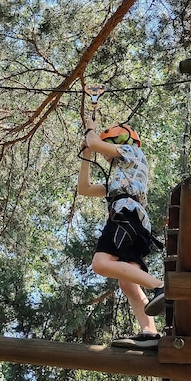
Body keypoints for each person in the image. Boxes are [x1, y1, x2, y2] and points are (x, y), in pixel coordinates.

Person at [77, 117, 165, 348]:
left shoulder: (131, 153)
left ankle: (160, 286)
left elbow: (95, 141)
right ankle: (150, 333)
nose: (106, 157)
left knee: (100, 263)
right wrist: (86, 154)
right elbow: (84, 189)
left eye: (109, 146)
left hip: (126, 214)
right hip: (134, 220)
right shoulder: (120, 177)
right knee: (127, 283)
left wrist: (91, 131)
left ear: (120, 140)